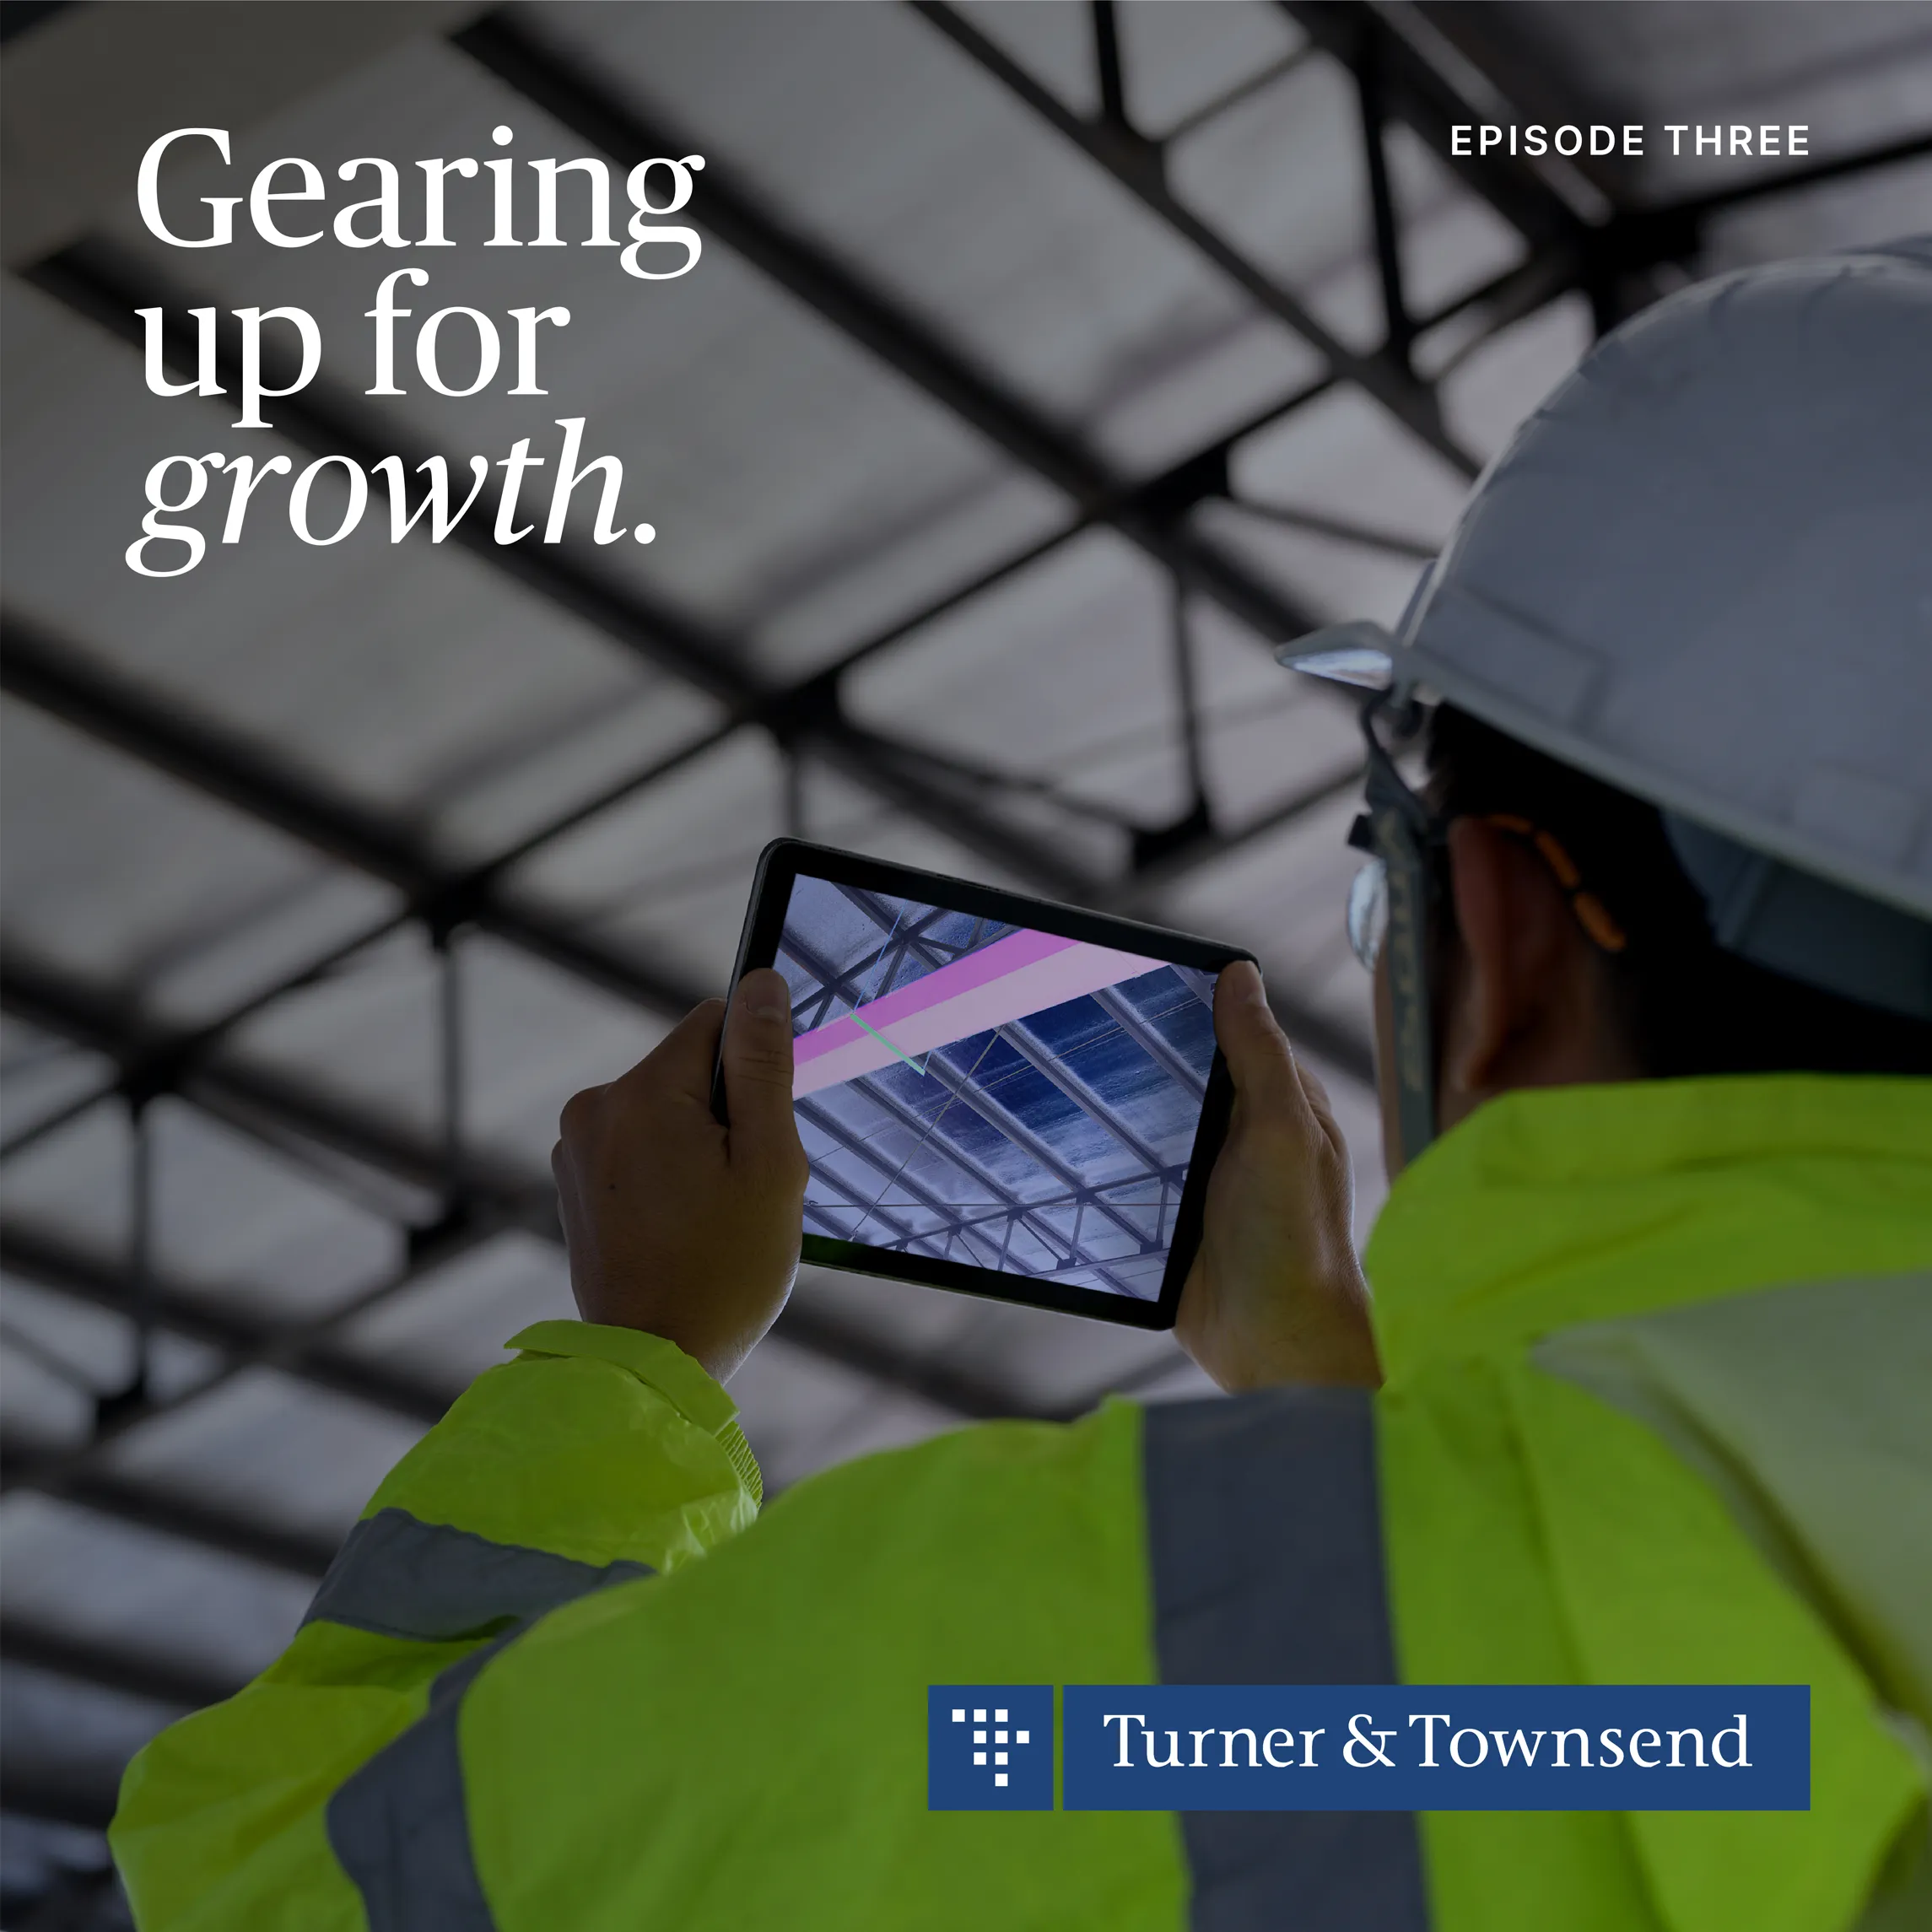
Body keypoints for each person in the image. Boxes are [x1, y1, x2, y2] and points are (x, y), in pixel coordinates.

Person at [111, 243, 1931, 1931]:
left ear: (1504, 939)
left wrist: (632, 1367)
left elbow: (293, 1874)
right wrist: (1328, 1407)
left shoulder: (1073, 1682)